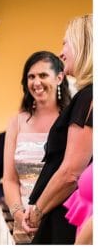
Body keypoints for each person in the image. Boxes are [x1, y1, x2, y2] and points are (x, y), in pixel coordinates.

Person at [23, 15, 93, 243]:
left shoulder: (88, 97)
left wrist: (37, 211)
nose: (61, 52)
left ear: (84, 45)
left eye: (66, 43)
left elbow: (70, 173)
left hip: (64, 214)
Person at [1, 51, 70, 240]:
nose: (36, 82)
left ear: (59, 77)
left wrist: (39, 213)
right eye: (31, 76)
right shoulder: (17, 122)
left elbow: (72, 176)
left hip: (61, 218)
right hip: (24, 223)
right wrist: (18, 214)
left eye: (43, 75)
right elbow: (9, 179)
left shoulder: (71, 121)